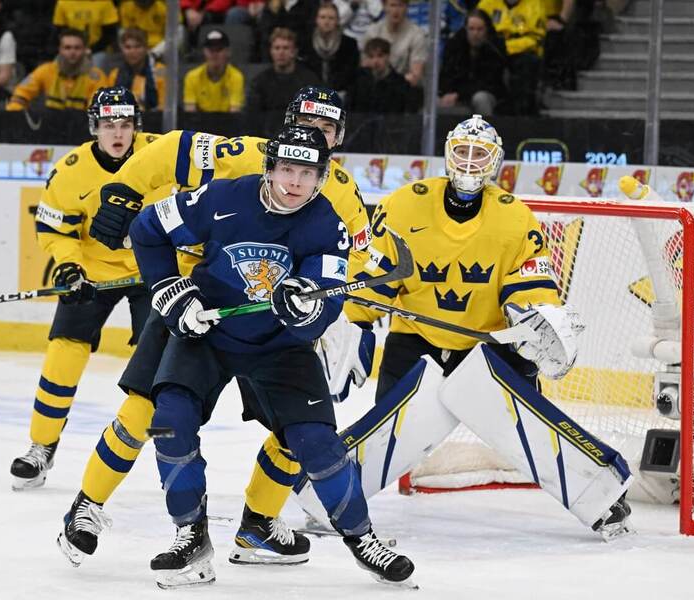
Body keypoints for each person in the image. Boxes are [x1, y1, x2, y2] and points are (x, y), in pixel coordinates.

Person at [55, 86, 374, 569]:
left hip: (275, 324)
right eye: (308, 124)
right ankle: (88, 505)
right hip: (196, 303)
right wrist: (127, 189)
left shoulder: (341, 192)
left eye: (327, 129)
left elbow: (356, 261)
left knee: (295, 432)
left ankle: (259, 527)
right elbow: (174, 147)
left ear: (339, 138)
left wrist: (346, 315)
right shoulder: (248, 154)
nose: (316, 135)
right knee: (148, 410)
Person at [125, 123, 415, 588]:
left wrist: (305, 306)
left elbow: (323, 307)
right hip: (209, 332)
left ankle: (363, 539)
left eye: (307, 172)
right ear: (269, 168)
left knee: (318, 443)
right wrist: (168, 290)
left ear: (322, 177)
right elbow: (147, 229)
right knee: (169, 420)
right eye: (286, 169)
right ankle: (189, 536)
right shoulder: (219, 199)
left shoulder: (326, 225)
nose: (294, 182)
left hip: (280, 346)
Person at [317, 114, 633, 538]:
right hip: (417, 340)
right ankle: (330, 500)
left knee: (528, 426)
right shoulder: (404, 204)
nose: (468, 162)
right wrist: (357, 324)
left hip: (487, 346)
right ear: (447, 155)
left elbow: (531, 281)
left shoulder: (514, 217)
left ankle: (602, 494)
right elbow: (378, 275)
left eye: (478, 154)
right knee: (387, 427)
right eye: (461, 152)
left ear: (495, 161)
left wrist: (531, 319)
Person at [9, 86, 158, 490]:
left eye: (125, 124)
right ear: (95, 127)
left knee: (159, 361)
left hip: (152, 272)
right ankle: (41, 448)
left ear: (136, 127)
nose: (118, 132)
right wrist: (70, 266)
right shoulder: (72, 169)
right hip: (93, 273)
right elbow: (54, 230)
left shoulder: (160, 154)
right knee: (64, 351)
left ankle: (164, 447)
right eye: (109, 124)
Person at [6, 29, 107, 111]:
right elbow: (20, 95)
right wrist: (16, 112)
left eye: (77, 48)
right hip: (49, 125)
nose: (72, 52)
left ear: (85, 50)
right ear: (60, 49)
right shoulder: (45, 70)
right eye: (67, 48)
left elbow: (99, 110)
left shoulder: (97, 77)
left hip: (83, 127)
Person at [477, 0, 546, 115]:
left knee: (527, 64)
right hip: (492, 50)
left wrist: (507, 47)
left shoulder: (535, 4)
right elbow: (478, 30)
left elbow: (536, 38)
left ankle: (522, 114)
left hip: (522, 52)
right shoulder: (486, 4)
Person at [437, 8, 508, 116]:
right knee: (432, 102)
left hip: (486, 93)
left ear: (487, 30)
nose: (475, 33)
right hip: (456, 93)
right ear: (466, 29)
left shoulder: (495, 47)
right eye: (471, 29)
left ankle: (486, 132)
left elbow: (490, 82)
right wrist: (447, 94)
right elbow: (446, 75)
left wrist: (459, 94)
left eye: (480, 29)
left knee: (481, 99)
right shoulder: (454, 45)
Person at [247, 28, 320, 112]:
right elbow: (253, 115)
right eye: (277, 48)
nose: (281, 52)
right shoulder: (259, 82)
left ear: (294, 52)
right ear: (271, 52)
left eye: (285, 48)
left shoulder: (309, 81)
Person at [299, 1, 359, 97]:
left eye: (331, 18)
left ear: (337, 21)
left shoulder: (349, 44)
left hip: (341, 93)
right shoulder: (306, 43)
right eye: (322, 17)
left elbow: (351, 74)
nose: (326, 22)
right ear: (316, 20)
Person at [362, 0, 427, 88]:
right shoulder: (373, 32)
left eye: (400, 5)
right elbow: (364, 67)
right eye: (392, 5)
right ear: (384, 6)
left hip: (404, 91)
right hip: (375, 88)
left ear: (407, 7)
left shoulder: (417, 35)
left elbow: (415, 76)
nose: (396, 11)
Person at [183, 28, 245, 112]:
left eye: (219, 49)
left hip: (227, 124)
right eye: (211, 50)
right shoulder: (192, 77)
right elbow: (190, 114)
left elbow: (234, 114)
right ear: (204, 52)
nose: (214, 54)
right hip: (200, 124)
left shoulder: (236, 77)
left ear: (228, 52)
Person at [106, 27, 163, 111]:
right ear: (122, 49)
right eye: (128, 47)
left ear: (146, 48)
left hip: (153, 119)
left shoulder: (159, 71)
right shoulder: (115, 74)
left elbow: (165, 107)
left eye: (138, 46)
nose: (133, 52)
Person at [348, 36, 409, 113]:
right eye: (371, 57)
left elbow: (400, 113)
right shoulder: (358, 78)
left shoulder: (400, 82)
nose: (375, 61)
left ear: (388, 56)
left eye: (380, 56)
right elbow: (349, 109)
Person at [52, 0, 119, 69]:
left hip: (98, 50)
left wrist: (90, 50)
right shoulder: (63, 2)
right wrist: (73, 49)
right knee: (54, 68)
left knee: (94, 71)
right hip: (71, 49)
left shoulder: (105, 2)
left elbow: (110, 35)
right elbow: (60, 32)